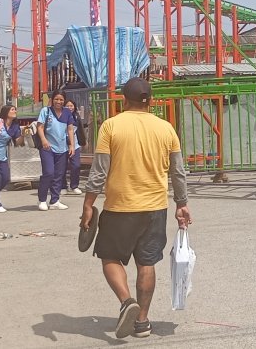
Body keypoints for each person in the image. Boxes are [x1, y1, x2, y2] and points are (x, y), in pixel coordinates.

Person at [81, 77, 191, 340]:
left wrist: (88, 204)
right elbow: (178, 172)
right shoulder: (166, 128)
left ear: (123, 99)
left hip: (120, 207)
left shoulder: (111, 126)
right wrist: (182, 204)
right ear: (150, 101)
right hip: (155, 207)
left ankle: (126, 301)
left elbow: (99, 172)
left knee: (109, 257)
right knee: (147, 262)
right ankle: (142, 321)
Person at [35, 91, 70, 210]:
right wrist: (44, 140)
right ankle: (42, 199)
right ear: (52, 99)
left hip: (62, 148)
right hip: (47, 148)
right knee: (49, 173)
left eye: (61, 100)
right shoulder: (46, 111)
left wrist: (71, 145)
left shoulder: (67, 112)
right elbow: (40, 127)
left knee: (59, 175)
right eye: (56, 99)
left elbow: (70, 129)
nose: (58, 102)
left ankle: (55, 200)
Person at [63, 98, 84, 195]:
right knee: (62, 167)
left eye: (71, 106)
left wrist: (83, 141)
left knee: (76, 166)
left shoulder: (76, 116)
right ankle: (63, 186)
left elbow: (80, 129)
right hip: (62, 145)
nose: (70, 107)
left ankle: (74, 185)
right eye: (67, 106)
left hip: (75, 144)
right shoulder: (61, 116)